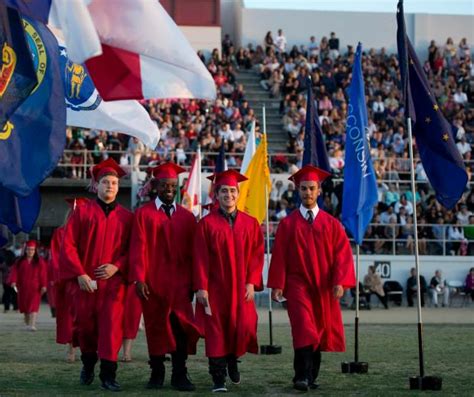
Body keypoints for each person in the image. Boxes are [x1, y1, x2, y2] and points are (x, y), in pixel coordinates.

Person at [267, 165, 355, 391]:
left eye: (311, 188)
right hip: (297, 285)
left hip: (323, 285)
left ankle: (311, 376)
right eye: (303, 188)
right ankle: (301, 376)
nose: (307, 192)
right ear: (298, 190)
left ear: (318, 191)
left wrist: (340, 282)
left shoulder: (332, 224)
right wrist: (277, 284)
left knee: (318, 329)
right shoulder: (288, 224)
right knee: (304, 327)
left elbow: (342, 256)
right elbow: (279, 257)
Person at [60, 158, 133, 391]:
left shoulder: (127, 217)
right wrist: (80, 274)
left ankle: (108, 376)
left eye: (113, 182)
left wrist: (118, 266)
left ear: (118, 187)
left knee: (111, 329)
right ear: (96, 186)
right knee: (87, 328)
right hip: (86, 284)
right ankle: (88, 365)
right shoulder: (82, 213)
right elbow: (68, 245)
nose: (110, 186)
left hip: (113, 285)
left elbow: (133, 249)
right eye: (105, 182)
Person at [129, 163, 201, 391]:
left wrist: (193, 283)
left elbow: (194, 254)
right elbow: (138, 248)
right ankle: (157, 373)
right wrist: (139, 278)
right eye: (163, 185)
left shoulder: (188, 217)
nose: (168, 188)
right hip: (153, 283)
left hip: (180, 285)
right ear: (155, 187)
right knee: (155, 328)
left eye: (172, 185)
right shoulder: (143, 214)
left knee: (180, 329)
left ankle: (180, 374)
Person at [193, 169, 264, 392]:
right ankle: (218, 378)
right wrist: (201, 287)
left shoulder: (251, 223)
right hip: (215, 289)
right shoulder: (206, 224)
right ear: (217, 194)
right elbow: (200, 258)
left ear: (238, 193)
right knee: (216, 333)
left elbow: (256, 255)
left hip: (241, 287)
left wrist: (252, 282)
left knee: (241, 327)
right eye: (224, 191)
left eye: (233, 190)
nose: (229, 195)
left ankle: (233, 361)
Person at [50, 197, 89, 363]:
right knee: (70, 317)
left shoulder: (89, 232)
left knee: (87, 318)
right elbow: (57, 258)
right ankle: (71, 350)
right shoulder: (60, 233)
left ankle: (89, 350)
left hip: (87, 279)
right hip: (69, 281)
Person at [9, 240, 47, 331]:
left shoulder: (39, 262)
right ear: (26, 250)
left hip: (35, 287)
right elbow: (15, 272)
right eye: (29, 249)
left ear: (35, 251)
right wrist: (13, 281)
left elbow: (43, 274)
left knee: (34, 306)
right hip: (22, 287)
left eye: (33, 250)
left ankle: (32, 325)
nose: (31, 251)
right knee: (25, 308)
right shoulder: (19, 261)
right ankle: (27, 324)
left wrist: (44, 285)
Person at [0, 246, 18, 313]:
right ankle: (16, 308)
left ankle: (6, 308)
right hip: (14, 282)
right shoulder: (15, 264)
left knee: (7, 295)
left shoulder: (4, 264)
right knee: (15, 295)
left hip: (5, 282)